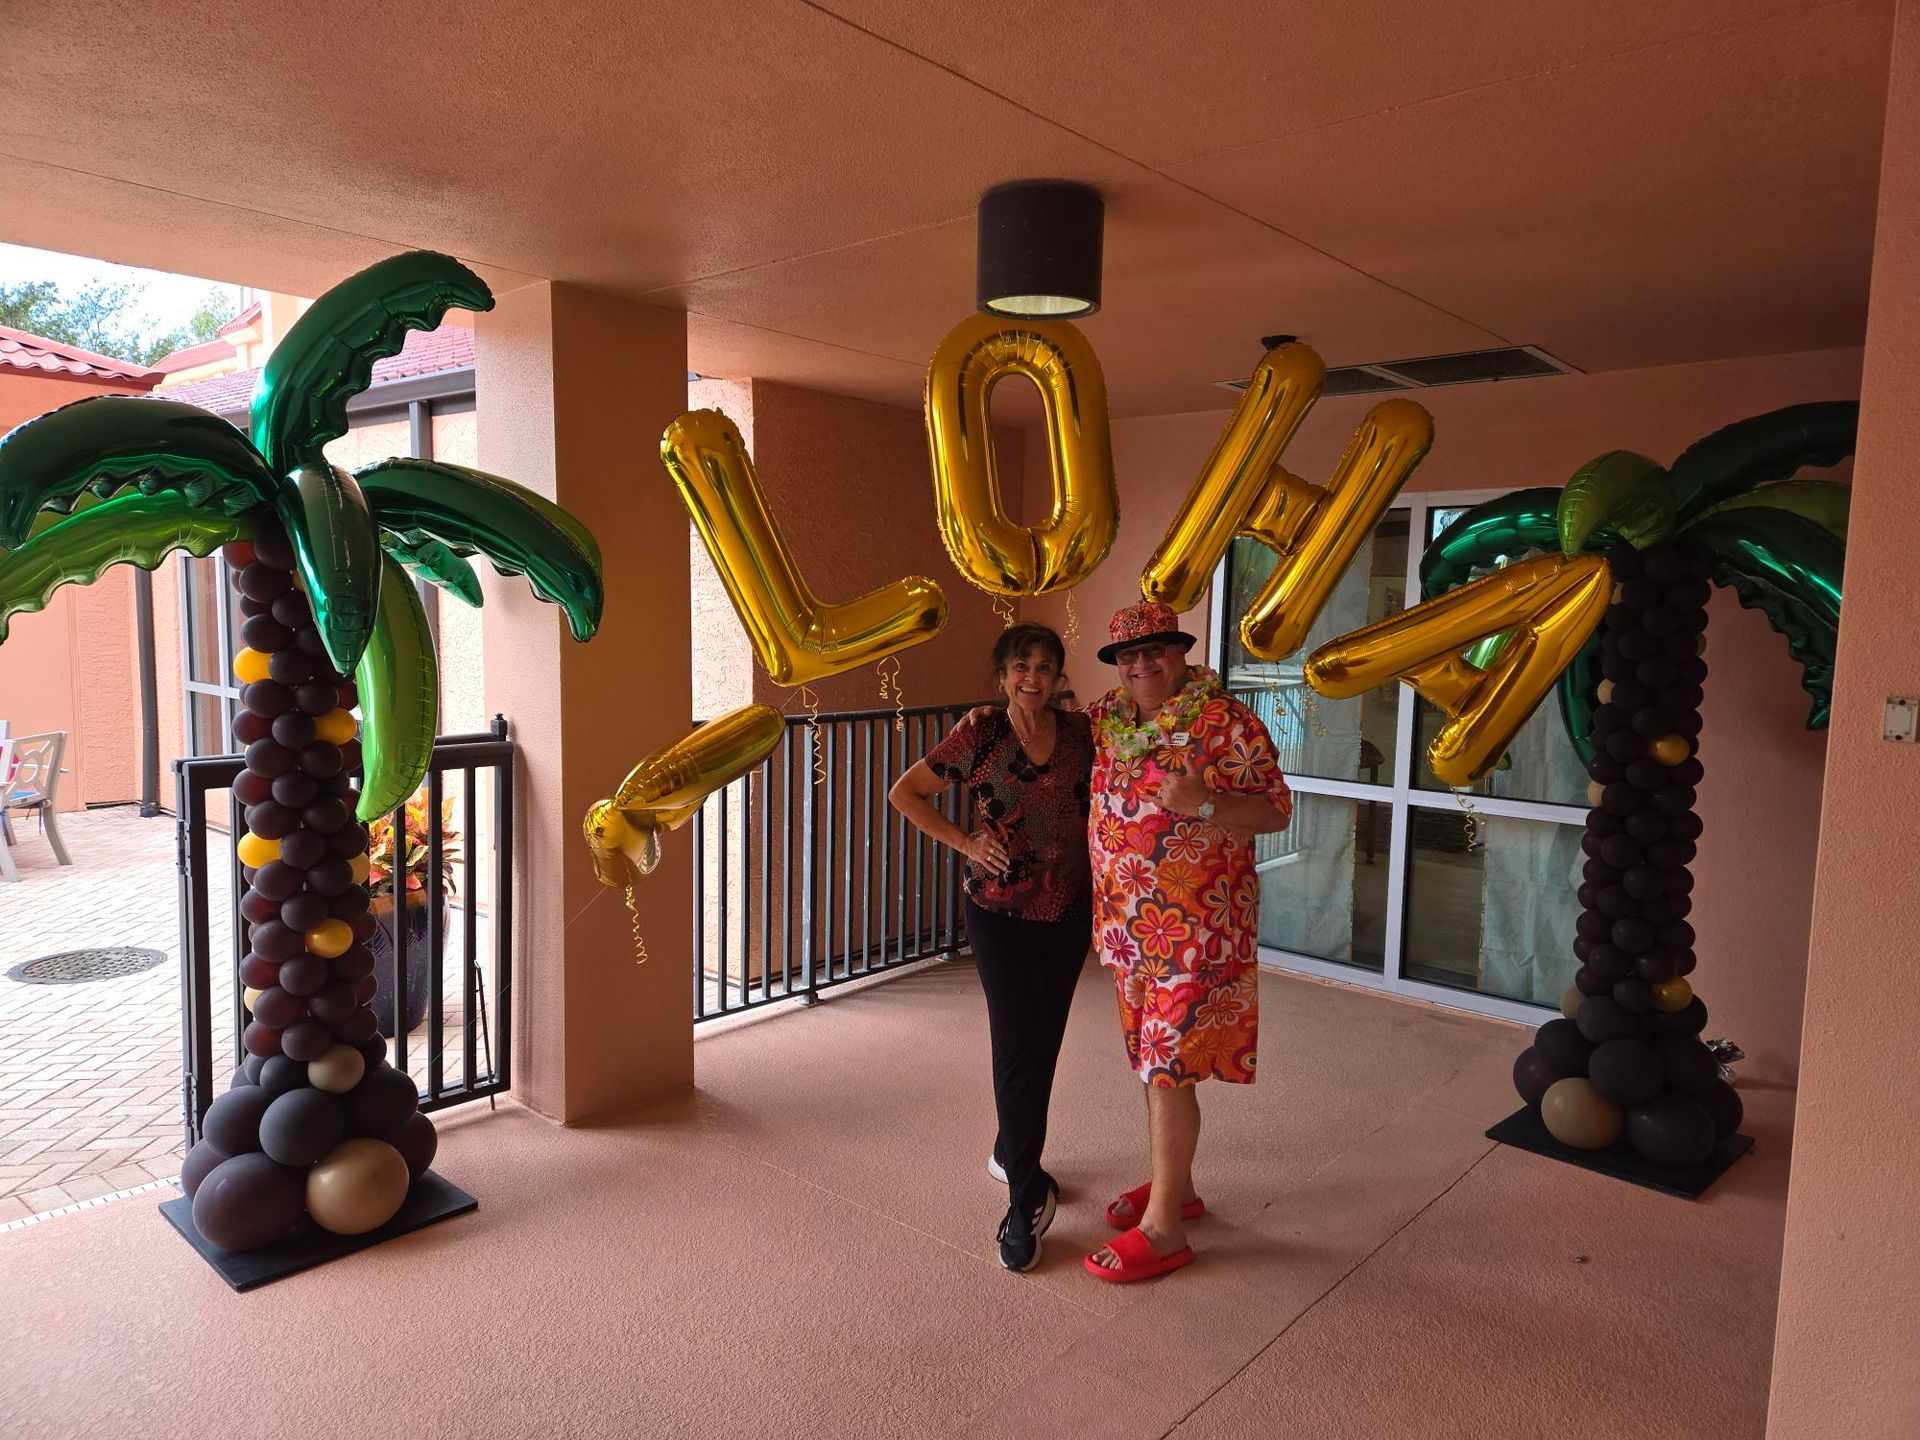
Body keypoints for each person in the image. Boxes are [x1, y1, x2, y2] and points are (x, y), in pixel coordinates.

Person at [1081, 601, 1293, 1283]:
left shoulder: (1226, 722)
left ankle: (1165, 1228)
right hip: (1124, 926)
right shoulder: (1107, 720)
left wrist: (1203, 803)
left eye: (1155, 653)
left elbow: (1275, 809)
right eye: (1128, 657)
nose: (1141, 666)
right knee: (1150, 1061)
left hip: (1196, 927)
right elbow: (1038, 724)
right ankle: (1179, 1187)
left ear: (1179, 654)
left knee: (1169, 1067)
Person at [889, 623, 1094, 1272]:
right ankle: (1024, 1195)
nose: (1031, 677)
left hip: (1068, 912)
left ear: (1059, 676)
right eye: (1019, 667)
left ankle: (1013, 1147)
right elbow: (906, 793)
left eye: (1043, 667)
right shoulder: (981, 734)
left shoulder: (1082, 734)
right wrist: (966, 842)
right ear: (1002, 675)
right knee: (1015, 1043)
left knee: (1046, 1041)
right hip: (1000, 914)